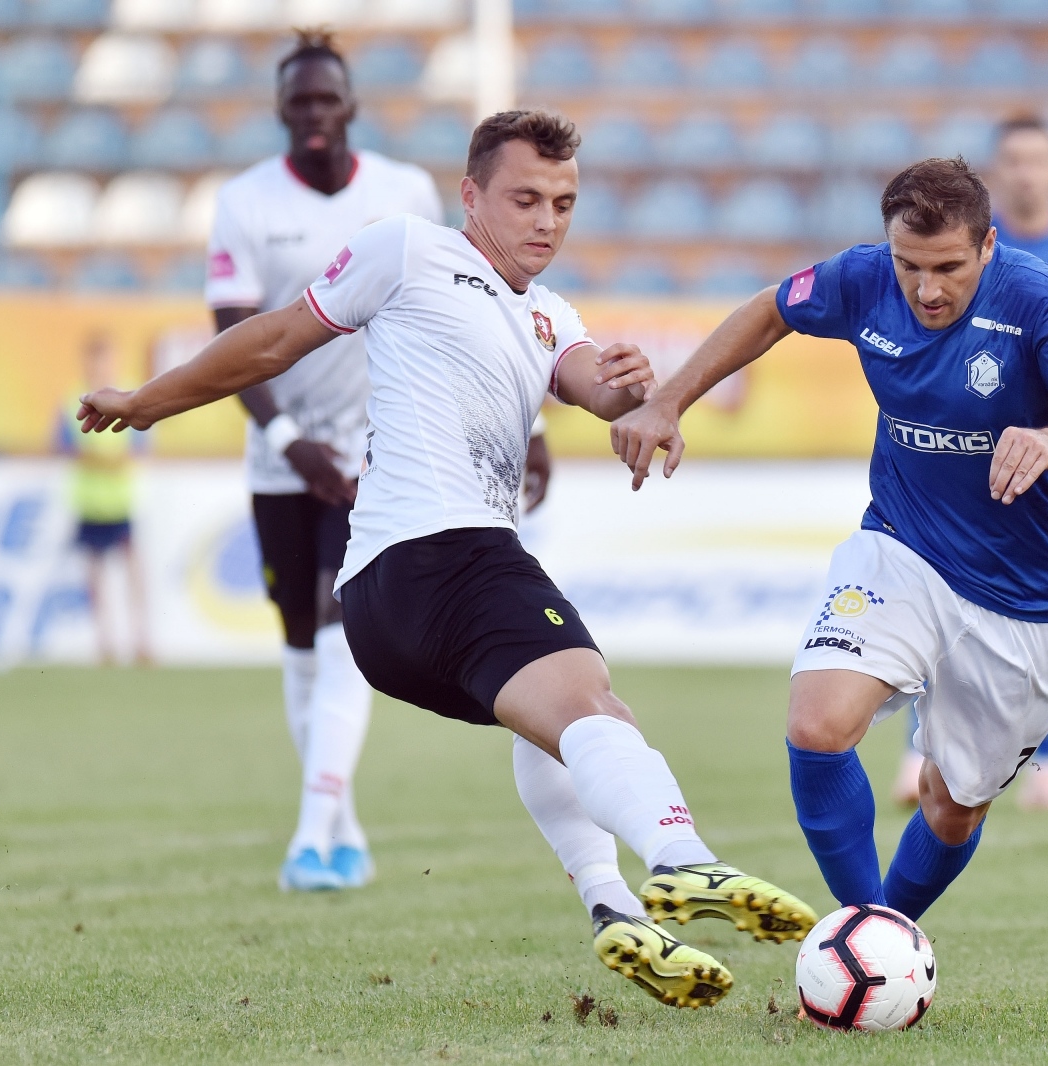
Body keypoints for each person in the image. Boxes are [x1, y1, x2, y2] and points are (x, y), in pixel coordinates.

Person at [78, 109, 816, 1009]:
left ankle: (614, 905)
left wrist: (640, 393)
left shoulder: (550, 315)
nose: (546, 220)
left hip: (390, 607)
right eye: (525, 199)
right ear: (470, 195)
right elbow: (273, 338)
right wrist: (148, 402)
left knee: (567, 717)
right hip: (440, 555)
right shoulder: (405, 250)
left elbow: (596, 389)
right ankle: (684, 860)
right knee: (588, 702)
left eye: (563, 203)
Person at [611, 158, 1048, 923]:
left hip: (1022, 593)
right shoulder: (862, 277)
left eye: (948, 268)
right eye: (910, 265)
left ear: (988, 246)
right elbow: (770, 309)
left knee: (951, 806)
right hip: (901, 546)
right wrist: (669, 400)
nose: (927, 289)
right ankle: (864, 934)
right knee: (817, 725)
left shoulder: (1042, 302)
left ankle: (887, 930)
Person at [205, 30, 551, 893]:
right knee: (300, 642)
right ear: (281, 108)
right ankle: (341, 825)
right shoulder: (244, 203)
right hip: (283, 459)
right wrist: (289, 442)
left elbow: (470, 307)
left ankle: (309, 833)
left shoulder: (402, 193)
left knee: (335, 628)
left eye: (328, 98)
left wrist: (533, 422)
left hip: (381, 451)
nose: (314, 113)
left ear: (352, 104)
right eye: (300, 100)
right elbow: (235, 339)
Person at [892, 112, 1048, 813]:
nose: (1027, 172)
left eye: (1038, 159)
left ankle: (1047, 765)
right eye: (1015, 160)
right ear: (1000, 173)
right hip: (960, 449)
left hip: (1044, 453)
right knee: (936, 603)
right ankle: (920, 753)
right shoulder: (965, 247)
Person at [57, 331, 151, 666]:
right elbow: (63, 446)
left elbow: (140, 445)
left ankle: (140, 638)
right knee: (96, 575)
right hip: (91, 502)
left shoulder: (128, 396)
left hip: (120, 501)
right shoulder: (71, 401)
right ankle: (105, 641)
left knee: (133, 571)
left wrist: (106, 461)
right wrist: (101, 461)